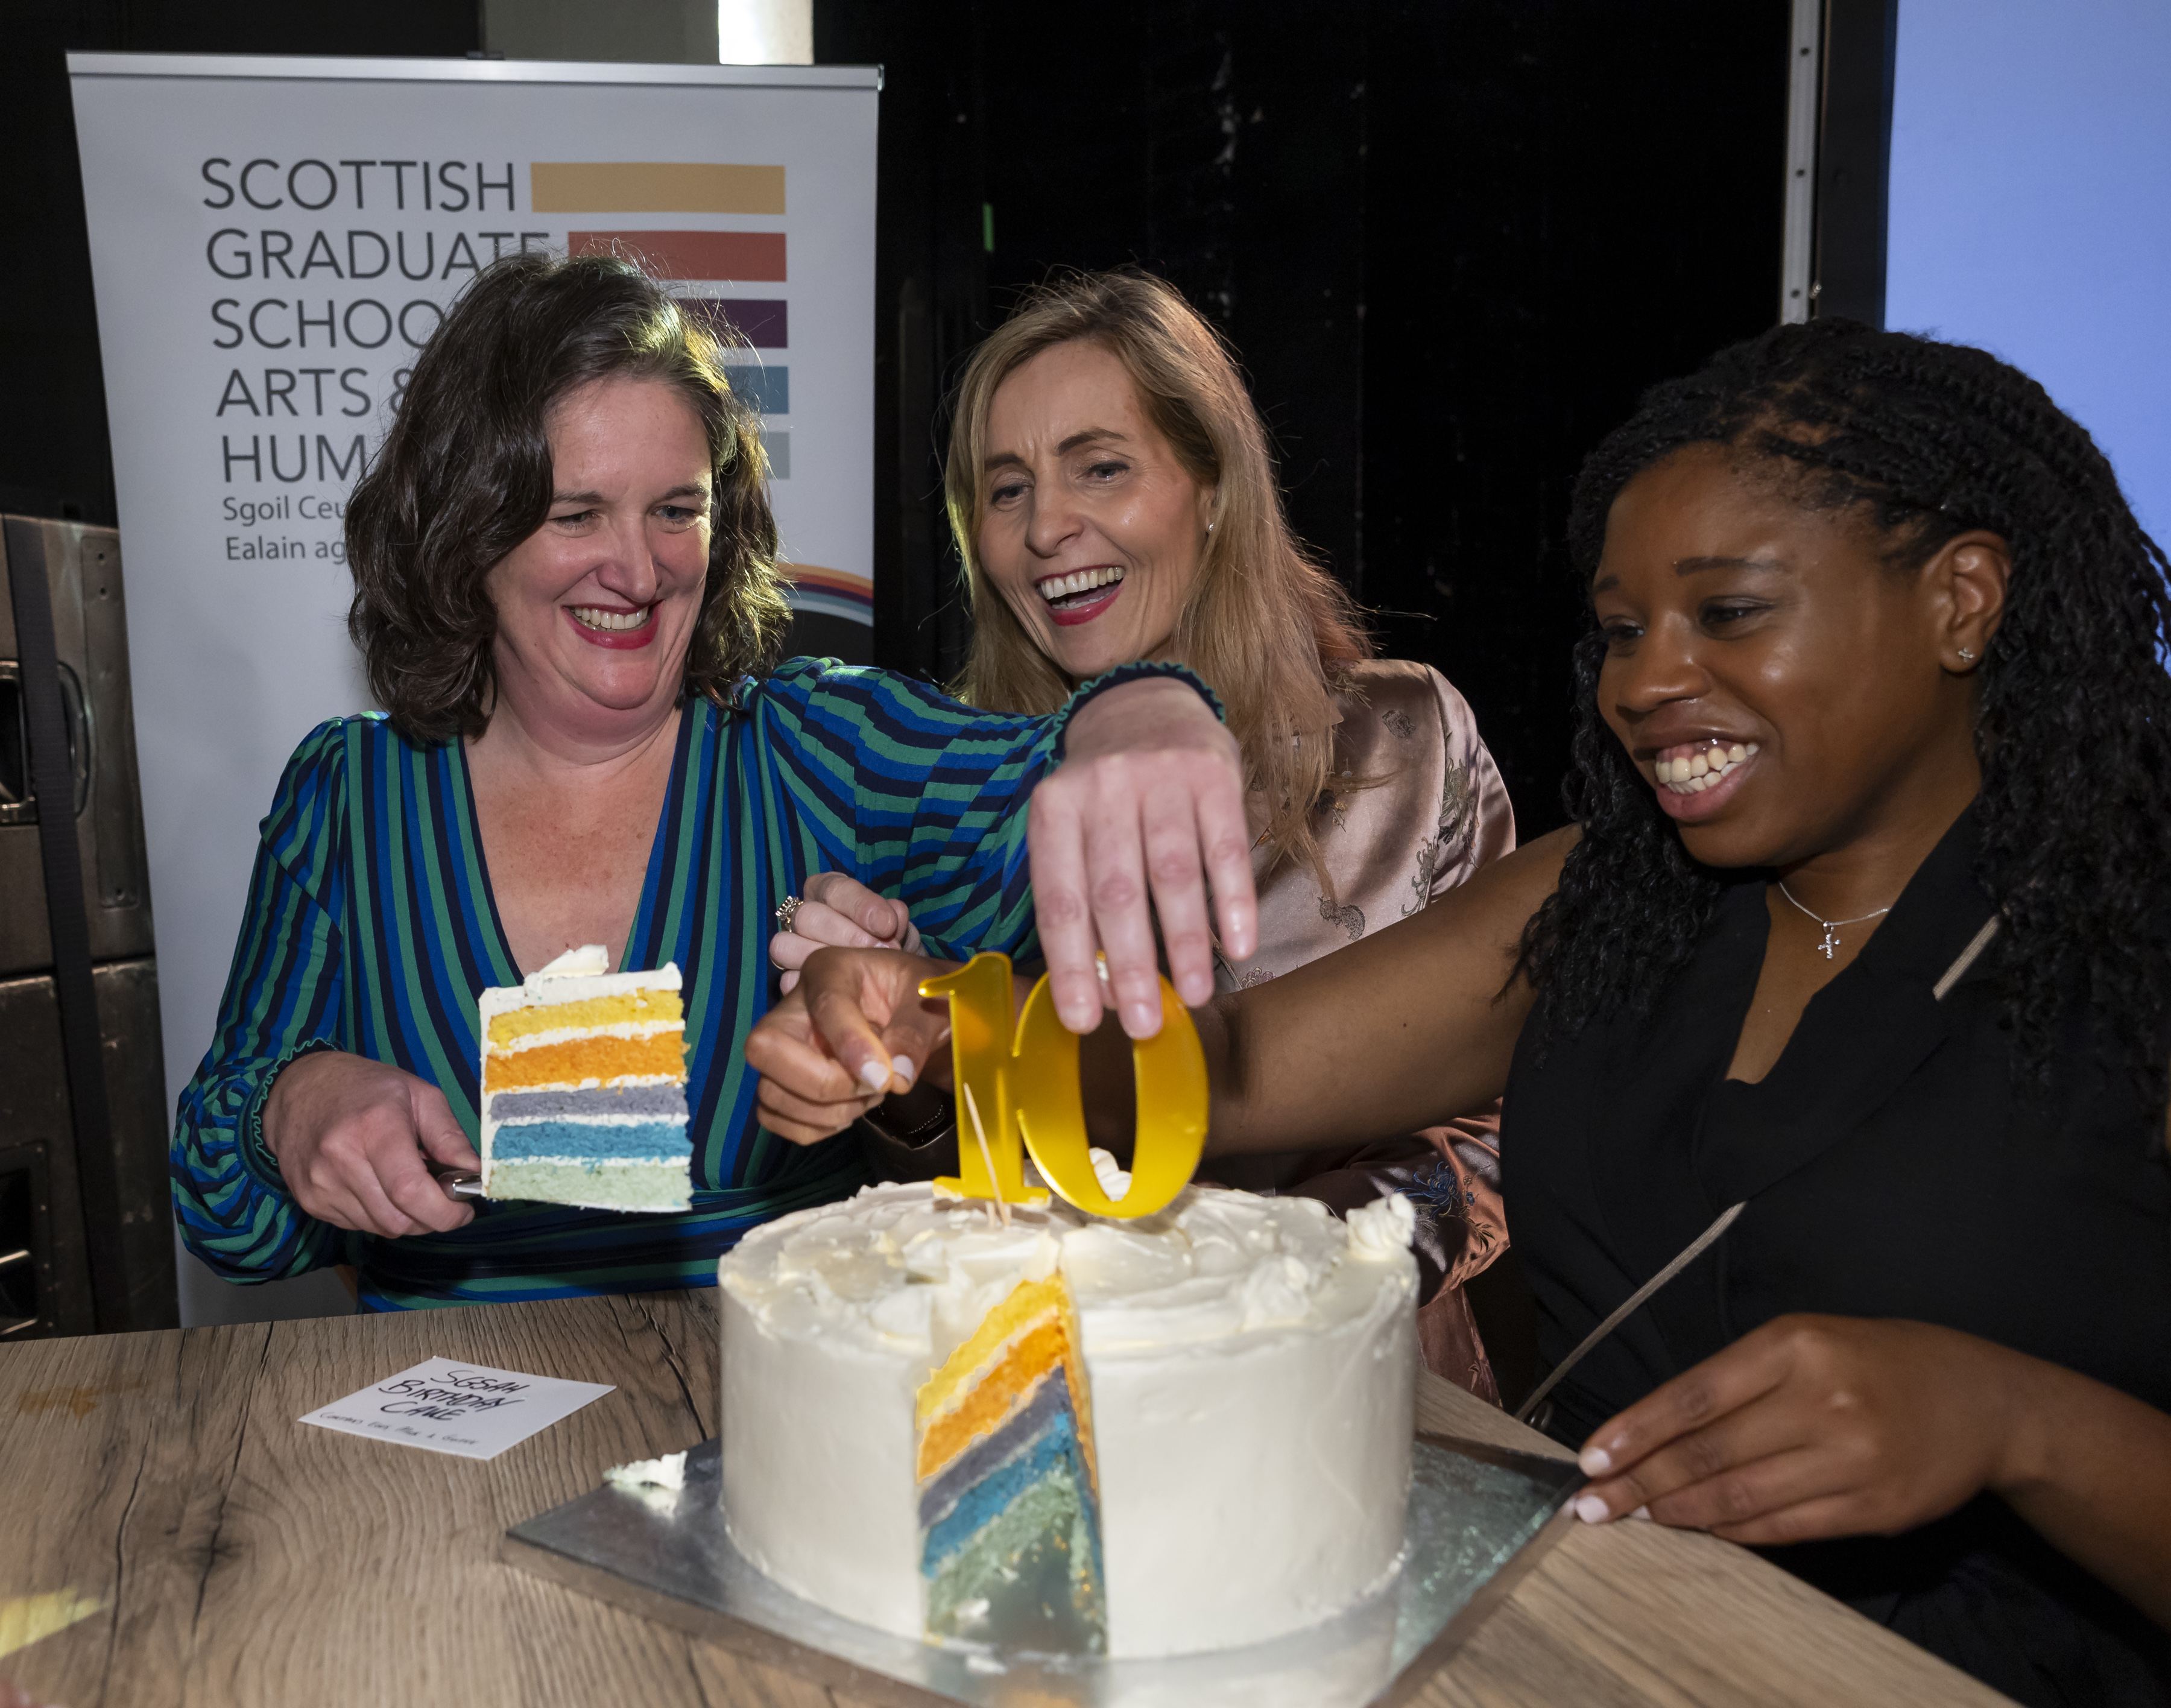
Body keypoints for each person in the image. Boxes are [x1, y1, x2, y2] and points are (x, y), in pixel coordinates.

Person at [750, 318, 2171, 1703]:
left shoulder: (2131, 948)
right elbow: (1223, 1078)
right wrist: (936, 1027)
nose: (1652, 681)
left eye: (1729, 612)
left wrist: (2019, 1429)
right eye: (1621, 630)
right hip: (1587, 1643)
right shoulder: (1601, 901)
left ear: (1964, 601)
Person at [169, 251, 1257, 1311]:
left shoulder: (820, 747)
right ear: (468, 529)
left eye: (677, 511)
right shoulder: (349, 797)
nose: (638, 572)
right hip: (444, 1432)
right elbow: (232, 1227)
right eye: (576, 513)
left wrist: (1144, 706)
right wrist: (288, 1108)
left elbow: (1055, 778)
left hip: (772, 1400)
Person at [767, 270, 1518, 1395]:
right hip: (1062, 1386)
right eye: (1006, 489)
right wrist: (901, 1067)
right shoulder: (952, 788)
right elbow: (942, 1188)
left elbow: (1511, 1114)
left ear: (1212, 485)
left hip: (1376, 1383)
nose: (1047, 527)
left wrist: (1292, 1267)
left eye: (1100, 467)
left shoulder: (1401, 742)